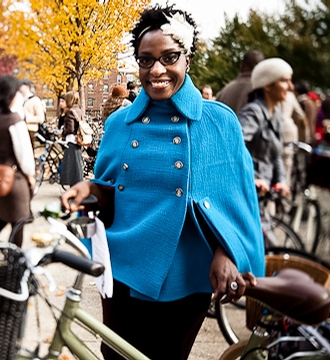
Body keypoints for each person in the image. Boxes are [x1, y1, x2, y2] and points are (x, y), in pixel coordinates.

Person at [60, 5, 264, 360]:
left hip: (186, 275)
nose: (156, 70)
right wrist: (89, 189)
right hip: (124, 268)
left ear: (187, 58)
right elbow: (112, 187)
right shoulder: (120, 122)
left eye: (169, 57)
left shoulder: (219, 122)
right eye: (145, 60)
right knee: (116, 354)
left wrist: (226, 251)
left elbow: (237, 200)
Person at [0, 76, 35, 248]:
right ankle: (14, 264)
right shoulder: (13, 120)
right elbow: (24, 154)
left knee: (3, 217)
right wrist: (30, 175)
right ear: (11, 94)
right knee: (18, 222)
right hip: (15, 178)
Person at [238, 58, 294, 197]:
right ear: (267, 86)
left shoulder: (277, 115)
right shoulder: (253, 112)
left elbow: (277, 155)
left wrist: (281, 180)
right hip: (246, 193)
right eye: (284, 81)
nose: (291, 87)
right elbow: (233, 146)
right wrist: (252, 178)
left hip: (264, 196)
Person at [278, 89, 308, 186]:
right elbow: (300, 115)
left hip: (275, 127)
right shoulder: (290, 95)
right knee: (287, 162)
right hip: (288, 130)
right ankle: (285, 186)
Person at [59, 91, 85, 187]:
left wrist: (62, 133)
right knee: (77, 167)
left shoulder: (70, 111)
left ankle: (74, 189)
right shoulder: (78, 109)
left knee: (71, 167)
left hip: (71, 140)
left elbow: (70, 128)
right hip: (78, 140)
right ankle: (77, 187)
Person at [19, 79, 46, 145]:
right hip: (20, 129)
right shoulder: (19, 99)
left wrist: (26, 119)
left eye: (21, 86)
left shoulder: (35, 100)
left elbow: (41, 118)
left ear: (27, 86)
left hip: (30, 130)